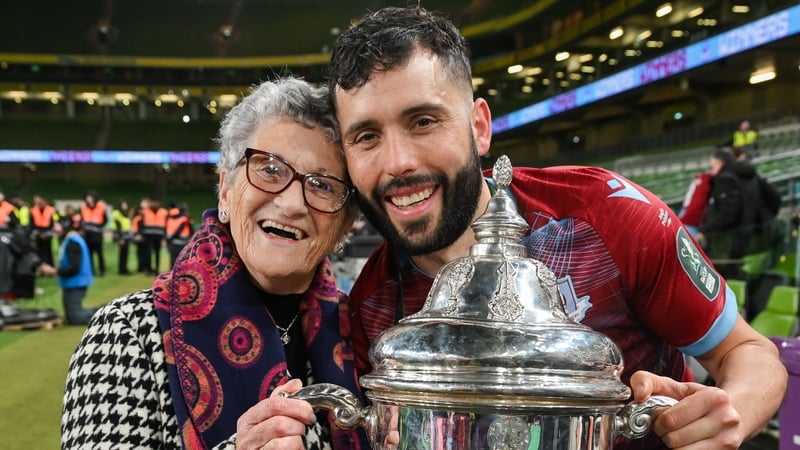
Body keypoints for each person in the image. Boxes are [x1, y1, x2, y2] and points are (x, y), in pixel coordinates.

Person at [327, 6, 787, 450]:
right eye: (366, 137)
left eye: (423, 121)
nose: (398, 163)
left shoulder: (606, 216)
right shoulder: (372, 301)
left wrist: (725, 415)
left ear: (479, 127)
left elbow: (748, 353)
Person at [61, 77, 370, 449]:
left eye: (323, 185)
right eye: (270, 169)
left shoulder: (367, 339)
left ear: (344, 226)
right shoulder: (126, 333)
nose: (291, 203)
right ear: (225, 189)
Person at [697, 147, 762, 269]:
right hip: (742, 235)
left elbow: (727, 212)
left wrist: (707, 230)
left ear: (720, 163)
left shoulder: (726, 180)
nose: (710, 172)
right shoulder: (745, 177)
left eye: (712, 167)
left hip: (728, 239)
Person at [57, 215, 98, 325]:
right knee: (71, 316)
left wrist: (56, 271)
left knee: (75, 317)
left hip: (76, 282)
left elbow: (74, 268)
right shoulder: (73, 239)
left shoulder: (72, 242)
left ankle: (104, 311)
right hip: (74, 282)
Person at [79, 190, 108, 276]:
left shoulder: (101, 206)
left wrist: (98, 227)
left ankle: (102, 270)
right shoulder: (83, 207)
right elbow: (81, 219)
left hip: (97, 234)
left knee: (99, 253)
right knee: (89, 254)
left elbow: (105, 219)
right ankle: (91, 271)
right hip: (88, 234)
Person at [30, 193, 59, 266]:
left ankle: (50, 267)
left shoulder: (51, 210)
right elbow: (32, 224)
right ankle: (41, 269)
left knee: (48, 252)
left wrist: (47, 233)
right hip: (38, 233)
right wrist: (38, 233)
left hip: (48, 233)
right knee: (38, 252)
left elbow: (54, 222)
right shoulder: (33, 210)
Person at [164, 201, 194, 268]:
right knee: (182, 258)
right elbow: (190, 231)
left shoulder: (173, 218)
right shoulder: (185, 219)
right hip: (183, 241)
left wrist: (169, 239)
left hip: (174, 241)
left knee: (173, 258)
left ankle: (173, 272)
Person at [111, 199, 133, 275]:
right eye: (124, 204)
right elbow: (118, 226)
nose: (126, 205)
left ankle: (124, 268)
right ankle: (122, 270)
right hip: (122, 236)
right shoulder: (117, 213)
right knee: (122, 254)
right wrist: (120, 238)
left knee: (125, 253)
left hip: (126, 236)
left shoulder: (124, 213)